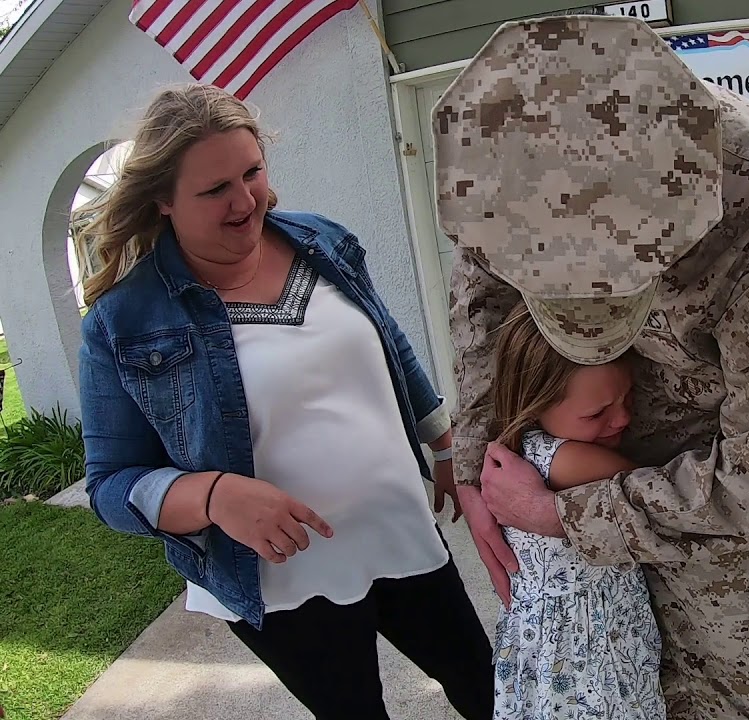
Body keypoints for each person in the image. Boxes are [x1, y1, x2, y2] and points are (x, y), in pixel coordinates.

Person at [434, 15, 749, 720]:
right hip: (571, 453)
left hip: (711, 498)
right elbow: (479, 313)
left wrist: (564, 516)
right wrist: (479, 469)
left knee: (733, 697)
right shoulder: (498, 160)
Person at [74, 84, 493, 720]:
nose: (247, 203)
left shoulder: (322, 241)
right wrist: (214, 495)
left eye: (252, 172)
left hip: (395, 526)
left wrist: (442, 443)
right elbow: (111, 486)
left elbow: (388, 345)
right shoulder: (122, 319)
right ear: (161, 199)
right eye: (215, 190)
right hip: (281, 577)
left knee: (491, 689)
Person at [489, 300, 665, 719]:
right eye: (597, 413)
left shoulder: (522, 450)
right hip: (588, 641)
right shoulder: (571, 461)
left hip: (543, 639)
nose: (622, 419)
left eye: (627, 397)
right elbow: (655, 492)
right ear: (533, 405)